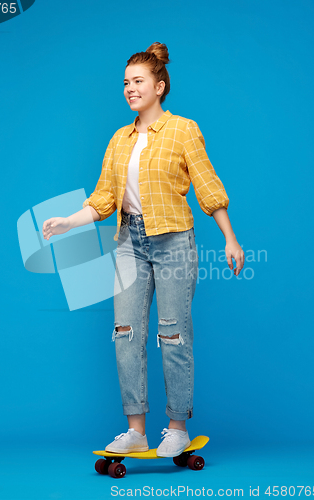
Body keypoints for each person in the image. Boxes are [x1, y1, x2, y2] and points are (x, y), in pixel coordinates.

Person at [42, 42, 245, 457]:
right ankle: (135, 429)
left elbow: (207, 186)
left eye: (138, 81)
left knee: (173, 333)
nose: (130, 89)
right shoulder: (119, 139)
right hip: (129, 243)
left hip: (173, 241)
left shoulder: (183, 130)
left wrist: (229, 237)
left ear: (159, 85)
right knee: (125, 333)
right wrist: (68, 221)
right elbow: (103, 198)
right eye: (125, 83)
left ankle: (177, 427)